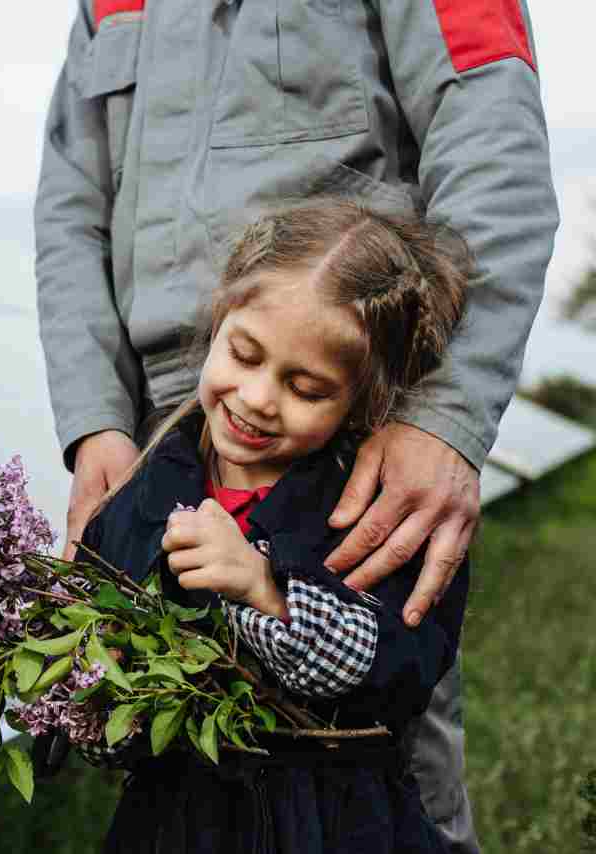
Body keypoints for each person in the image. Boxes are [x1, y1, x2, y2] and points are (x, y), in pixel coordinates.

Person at [34, 2, 559, 849]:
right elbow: (70, 206)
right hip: (160, 422)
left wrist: (443, 415)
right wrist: (96, 422)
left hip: (359, 437)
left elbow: (494, 151)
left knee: (371, 774)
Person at [77, 199, 471, 852]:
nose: (259, 398)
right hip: (174, 820)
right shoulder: (157, 473)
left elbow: (405, 668)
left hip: (329, 823)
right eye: (244, 354)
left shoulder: (373, 509)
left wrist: (265, 592)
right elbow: (99, 586)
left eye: (306, 389)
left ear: (364, 399)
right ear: (218, 321)